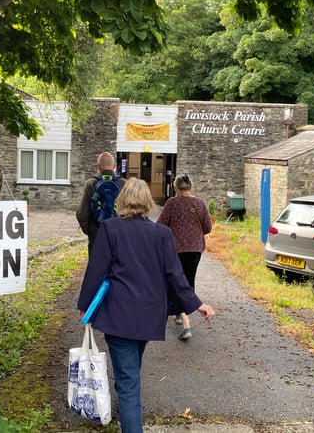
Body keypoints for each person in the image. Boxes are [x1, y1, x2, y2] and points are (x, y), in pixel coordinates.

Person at [77, 178, 215, 433]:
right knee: (130, 372)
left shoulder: (110, 228)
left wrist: (86, 306)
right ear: (147, 203)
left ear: (123, 200)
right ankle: (127, 401)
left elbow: (96, 271)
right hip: (149, 317)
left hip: (118, 316)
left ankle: (129, 417)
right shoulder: (161, 234)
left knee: (128, 381)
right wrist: (198, 304)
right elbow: (175, 275)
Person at [156, 174, 213, 340]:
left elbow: (160, 225)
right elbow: (207, 228)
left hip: (176, 249)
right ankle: (181, 313)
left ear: (176, 188)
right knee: (188, 281)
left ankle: (185, 321)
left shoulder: (172, 203)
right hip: (196, 250)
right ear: (191, 187)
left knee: (177, 282)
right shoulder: (201, 203)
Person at [76, 152, 125, 255]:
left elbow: (81, 213)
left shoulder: (91, 183)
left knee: (96, 268)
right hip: (119, 234)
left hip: (97, 233)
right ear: (114, 166)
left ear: (98, 166)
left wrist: (90, 230)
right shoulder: (125, 184)